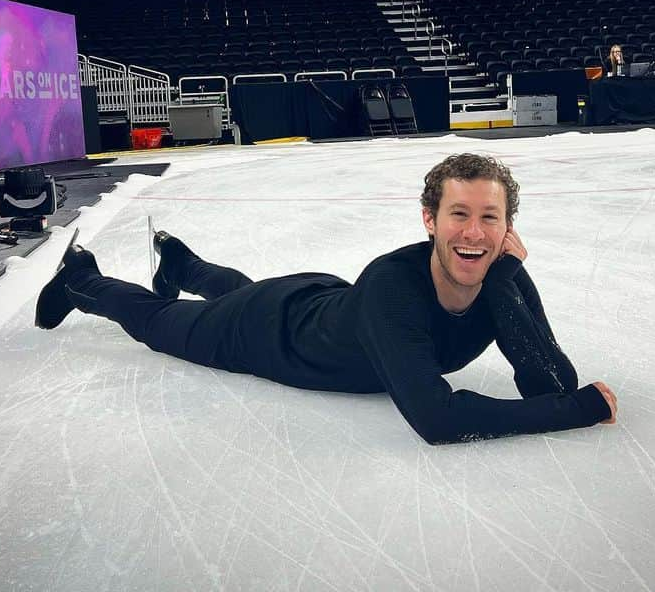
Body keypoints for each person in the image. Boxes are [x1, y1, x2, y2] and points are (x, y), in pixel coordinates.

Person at [34, 153, 616, 445]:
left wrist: (506, 282)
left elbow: (548, 382)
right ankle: (82, 278)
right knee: (162, 322)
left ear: (508, 227)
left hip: (326, 304)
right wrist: (582, 411)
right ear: (429, 221)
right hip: (267, 335)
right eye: (458, 215)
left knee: (245, 292)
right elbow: (437, 419)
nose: (473, 233)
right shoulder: (395, 288)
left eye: (490, 218)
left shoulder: (501, 277)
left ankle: (184, 263)